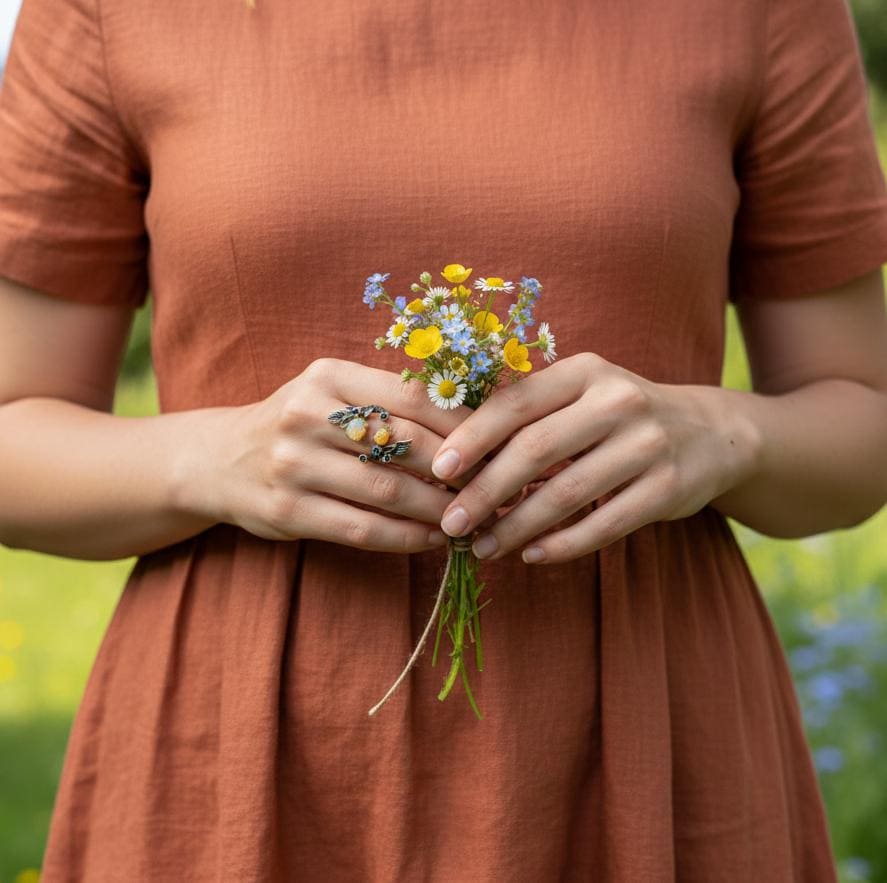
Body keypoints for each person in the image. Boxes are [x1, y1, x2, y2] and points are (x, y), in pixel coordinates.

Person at [1, 0, 886, 878]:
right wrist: (215, 457)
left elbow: (861, 424)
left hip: (641, 730)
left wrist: (723, 433)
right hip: (239, 739)